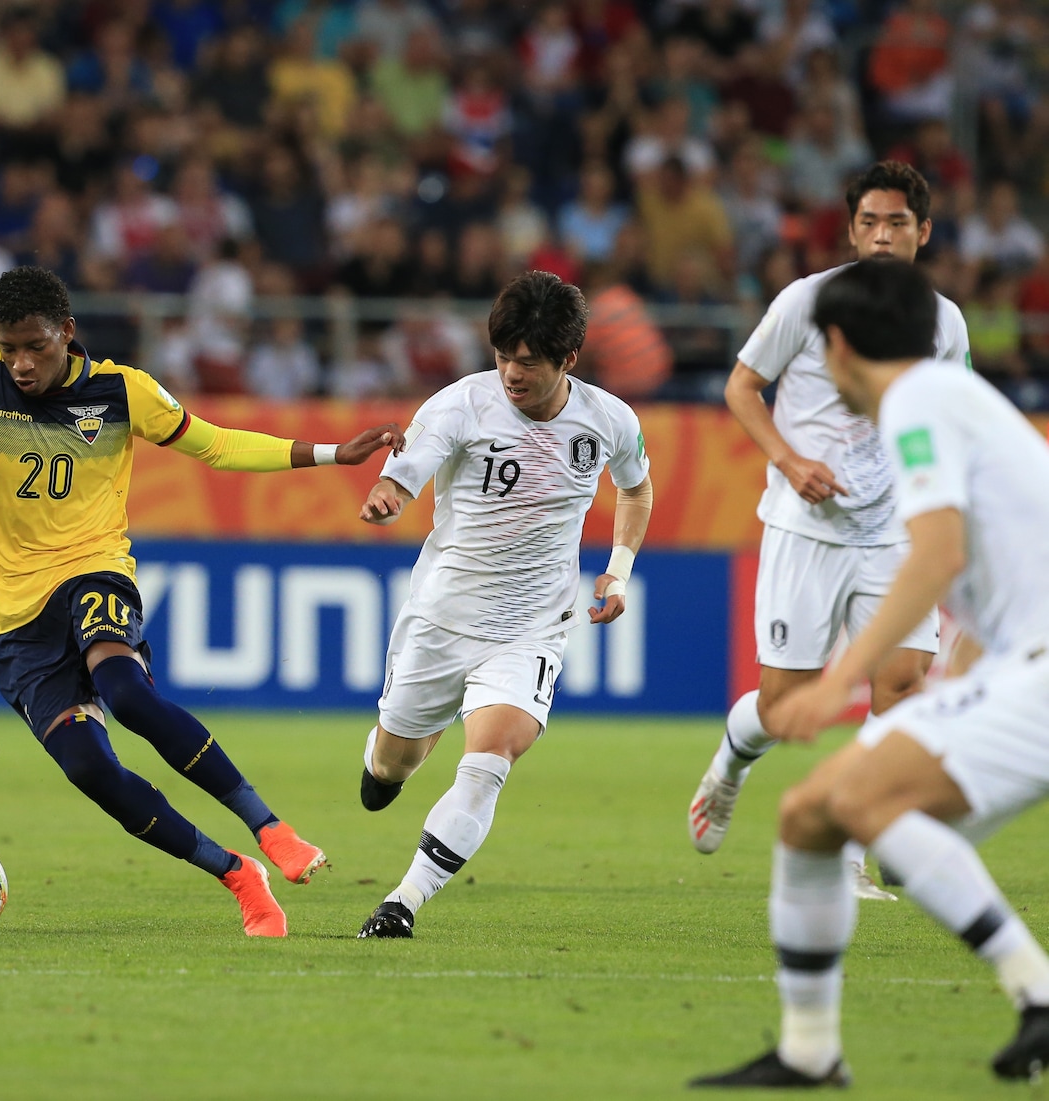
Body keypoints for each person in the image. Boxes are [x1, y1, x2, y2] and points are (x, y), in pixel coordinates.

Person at [0, 266, 399, 937]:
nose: (20, 362)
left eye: (36, 346)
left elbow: (217, 445)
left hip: (93, 571)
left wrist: (335, 453)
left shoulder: (122, 391)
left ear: (67, 332)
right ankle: (236, 872)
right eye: (8, 347)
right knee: (91, 770)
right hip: (17, 620)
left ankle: (271, 826)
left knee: (127, 691)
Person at [692, 259, 1049, 1088]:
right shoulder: (956, 399)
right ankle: (812, 1049)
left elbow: (940, 555)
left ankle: (1036, 988)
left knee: (856, 801)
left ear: (839, 346)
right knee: (818, 811)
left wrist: (837, 678)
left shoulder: (917, 404)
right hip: (1019, 667)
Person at [686, 163, 971, 900]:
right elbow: (742, 387)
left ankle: (853, 849)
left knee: (901, 686)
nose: (882, 235)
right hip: (804, 526)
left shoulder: (945, 322)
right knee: (787, 707)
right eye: (870, 221)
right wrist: (788, 458)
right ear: (851, 229)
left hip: (893, 532)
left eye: (898, 223)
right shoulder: (806, 302)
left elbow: (950, 414)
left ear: (924, 232)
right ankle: (730, 763)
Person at [354, 271, 654, 939]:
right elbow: (410, 465)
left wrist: (618, 571)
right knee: (391, 764)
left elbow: (636, 491)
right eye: (504, 356)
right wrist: (390, 494)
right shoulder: (462, 404)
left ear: (568, 359)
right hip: (442, 616)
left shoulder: (609, 420)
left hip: (532, 627)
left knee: (490, 760)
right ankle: (389, 756)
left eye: (530, 360)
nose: (513, 372)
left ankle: (402, 901)